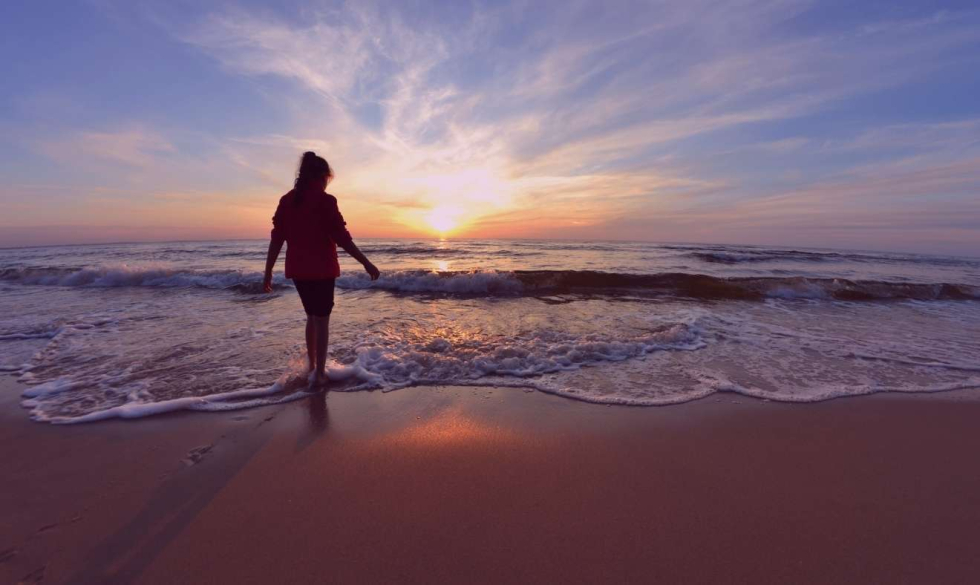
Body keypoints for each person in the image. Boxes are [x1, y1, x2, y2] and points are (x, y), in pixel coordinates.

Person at [263, 151, 380, 388]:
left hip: (298, 270)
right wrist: (366, 262)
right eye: (327, 178)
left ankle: (313, 367)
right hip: (323, 270)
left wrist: (268, 271)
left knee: (311, 317)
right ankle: (319, 374)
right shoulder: (326, 201)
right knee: (322, 320)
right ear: (321, 176)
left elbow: (277, 239)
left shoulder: (287, 201)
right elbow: (342, 238)